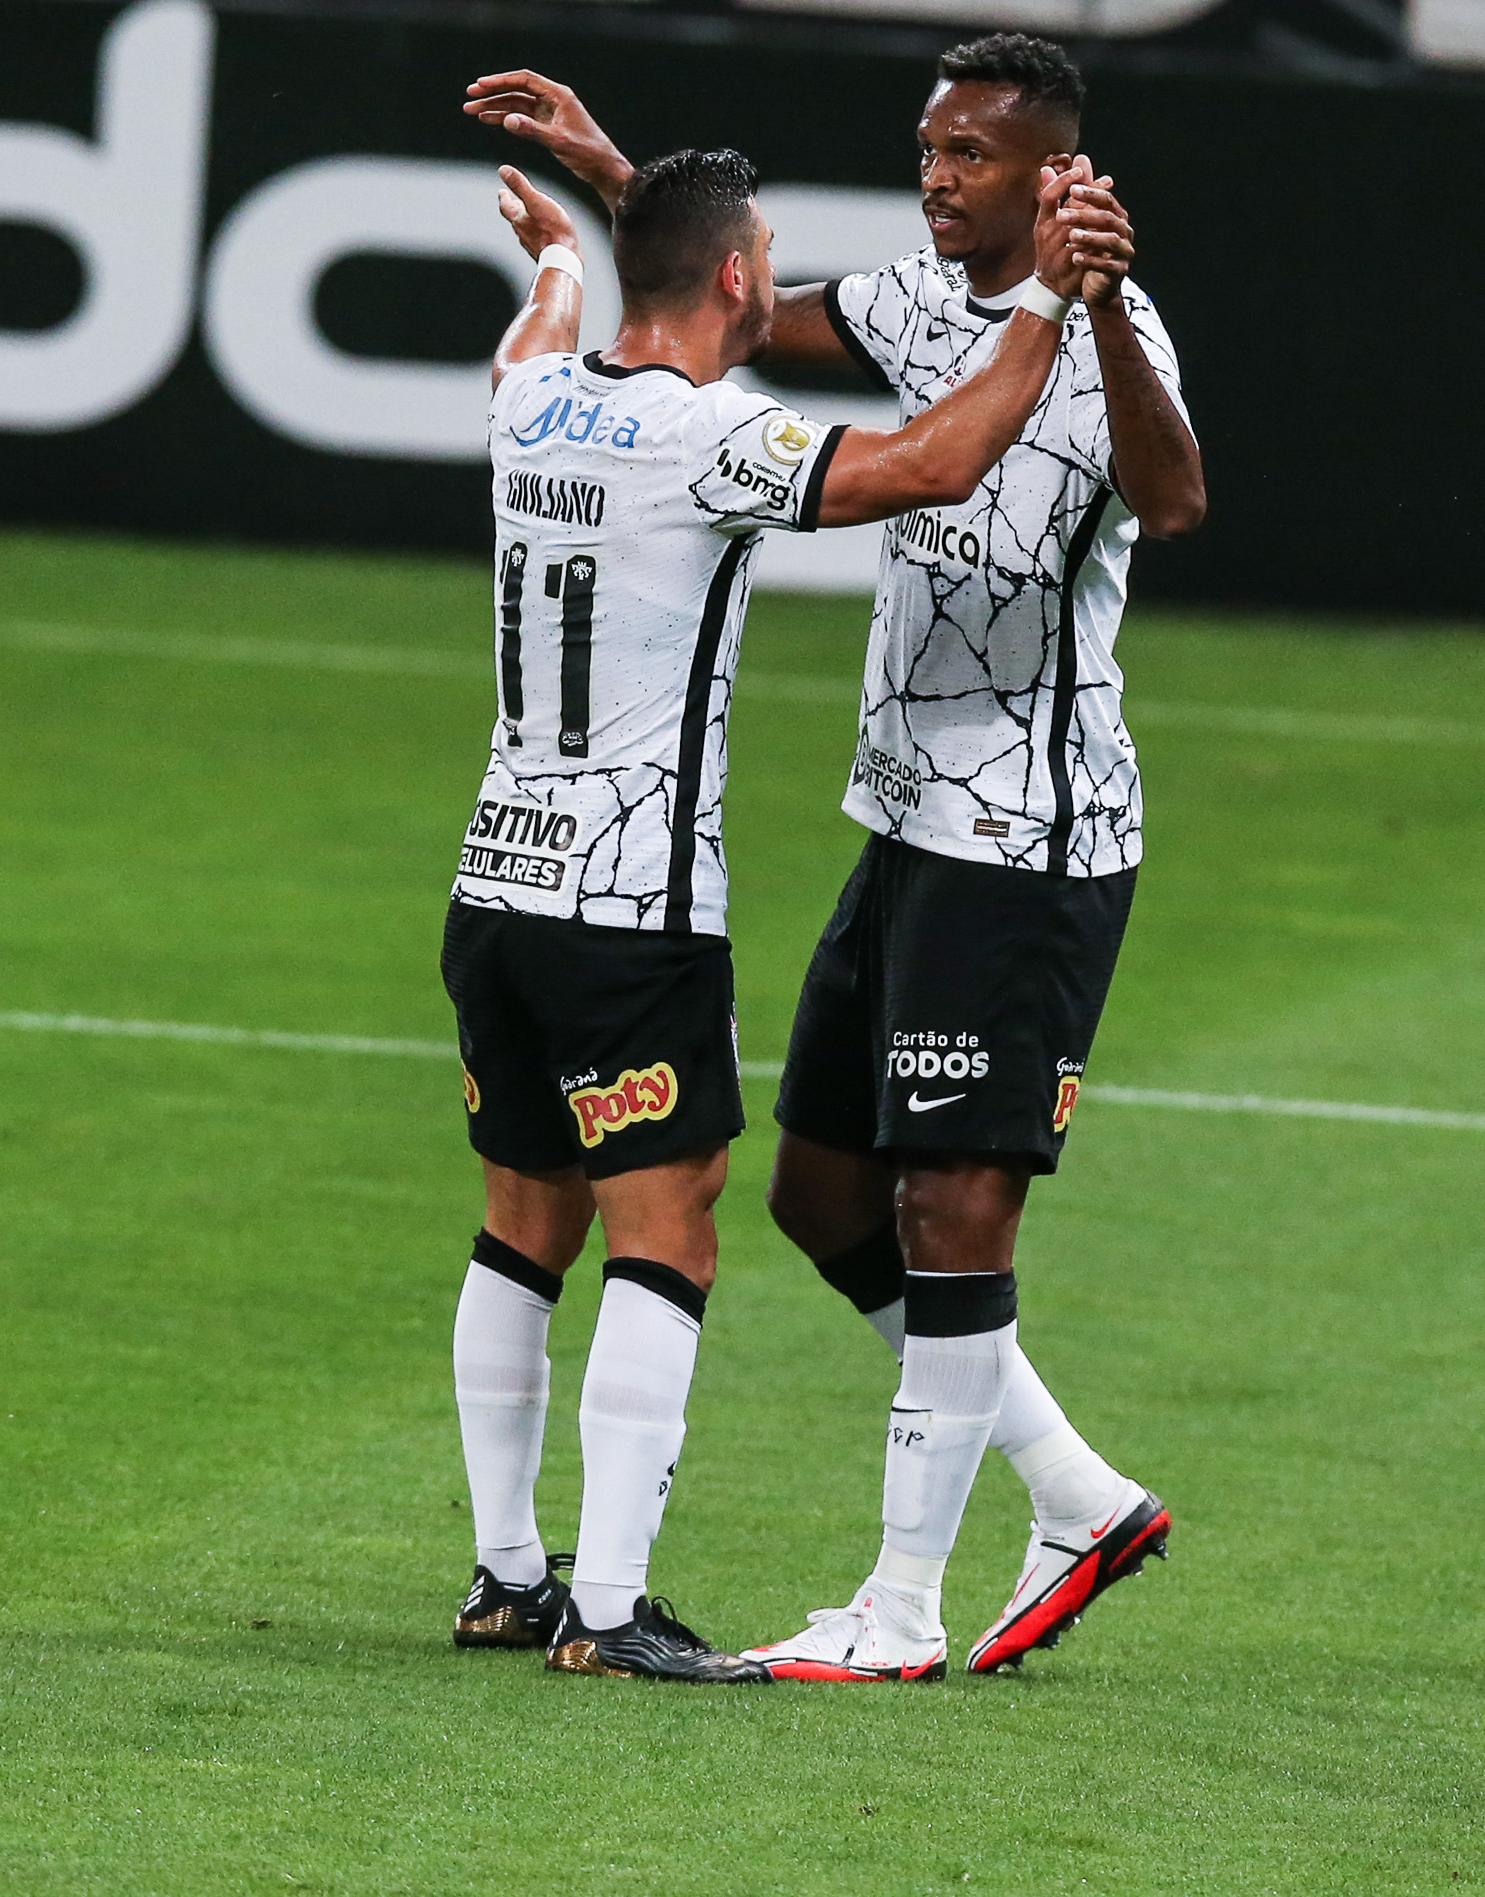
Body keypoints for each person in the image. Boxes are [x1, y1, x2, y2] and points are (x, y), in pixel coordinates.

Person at [467, 34, 1198, 1682]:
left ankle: (903, 1606)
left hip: (1032, 826)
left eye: (968, 156)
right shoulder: (908, 304)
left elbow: (1179, 495)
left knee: (953, 1202)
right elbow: (718, 308)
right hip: (903, 813)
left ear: (1052, 177)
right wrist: (610, 168)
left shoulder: (1113, 323)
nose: (934, 176)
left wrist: (1095, 317)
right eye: (927, 148)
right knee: (817, 1194)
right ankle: (1075, 1493)